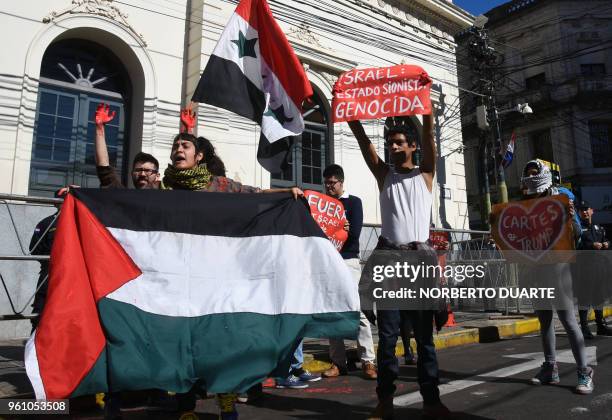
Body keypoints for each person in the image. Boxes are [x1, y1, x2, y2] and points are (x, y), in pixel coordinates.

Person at [162, 130, 303, 420]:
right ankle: (186, 408)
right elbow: (125, 199)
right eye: (175, 145)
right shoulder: (164, 189)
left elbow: (254, 195)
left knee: (219, 345)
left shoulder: (219, 185)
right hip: (178, 278)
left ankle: (227, 402)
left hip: (215, 279)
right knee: (182, 344)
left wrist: (286, 193)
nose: (178, 149)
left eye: (185, 145)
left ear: (198, 156)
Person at [348, 113, 449, 419]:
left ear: (413, 146)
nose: (392, 146)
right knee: (388, 340)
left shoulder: (426, 174)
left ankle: (431, 402)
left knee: (425, 339)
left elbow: (431, 141)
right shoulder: (385, 176)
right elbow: (365, 145)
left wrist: (428, 114)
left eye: (398, 142)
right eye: (389, 142)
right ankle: (385, 401)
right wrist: (352, 117)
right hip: (391, 266)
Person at [517, 160, 594, 394]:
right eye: (527, 173)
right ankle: (550, 367)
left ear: (543, 174)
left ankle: (584, 371)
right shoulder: (528, 202)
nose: (531, 176)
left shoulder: (562, 196)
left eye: (534, 172)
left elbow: (578, 234)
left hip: (559, 266)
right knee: (544, 319)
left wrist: (570, 218)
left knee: (568, 319)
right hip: (537, 267)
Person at [320, 164, 377, 380]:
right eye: (326, 183)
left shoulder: (354, 202)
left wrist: (339, 229)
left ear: (341, 182)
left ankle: (368, 361)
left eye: (332, 183)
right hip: (328, 262)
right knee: (333, 312)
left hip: (349, 261)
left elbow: (353, 233)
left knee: (358, 311)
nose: (328, 187)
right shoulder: (323, 204)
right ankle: (338, 362)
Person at [94, 103, 160, 190]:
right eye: (138, 170)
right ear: (132, 174)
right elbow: (104, 171)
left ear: (157, 176)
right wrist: (100, 128)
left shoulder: (167, 199)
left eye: (148, 171)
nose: (142, 174)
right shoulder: (123, 197)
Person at [576, 200, 612, 338]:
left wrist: (606, 243)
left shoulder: (598, 228)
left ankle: (601, 325)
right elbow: (577, 246)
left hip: (599, 267)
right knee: (584, 298)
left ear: (592, 211)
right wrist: (592, 246)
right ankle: (584, 327)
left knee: (599, 297)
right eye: (582, 210)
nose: (584, 211)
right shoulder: (578, 228)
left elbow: (608, 240)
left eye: (587, 209)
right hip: (585, 268)